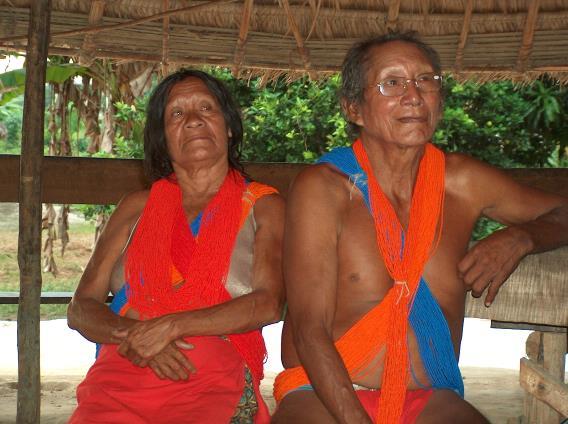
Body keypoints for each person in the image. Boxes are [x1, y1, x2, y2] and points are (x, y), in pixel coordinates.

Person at [271, 32, 568, 423]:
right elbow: (310, 331)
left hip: (430, 398)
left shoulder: (462, 182)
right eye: (392, 83)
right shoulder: (324, 190)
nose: (414, 96)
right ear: (354, 108)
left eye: (426, 80)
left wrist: (523, 237)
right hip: (324, 395)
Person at [67, 69, 285, 423]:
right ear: (162, 138)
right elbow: (81, 307)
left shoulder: (264, 206)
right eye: (177, 114)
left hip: (211, 383)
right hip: (120, 377)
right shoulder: (136, 206)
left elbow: (269, 303)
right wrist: (137, 337)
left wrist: (172, 327)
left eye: (207, 109)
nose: (194, 121)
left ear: (228, 126)